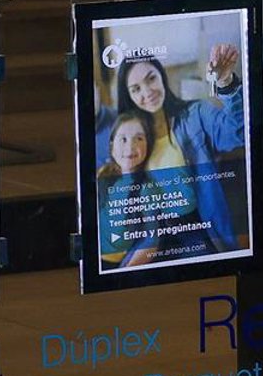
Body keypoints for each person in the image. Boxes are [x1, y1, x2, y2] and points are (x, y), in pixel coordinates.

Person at [113, 45, 245, 254]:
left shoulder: (195, 114)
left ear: (161, 76)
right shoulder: (129, 136)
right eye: (136, 89)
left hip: (200, 230)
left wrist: (225, 82)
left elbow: (239, 132)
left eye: (151, 79)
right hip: (151, 237)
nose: (147, 92)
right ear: (128, 96)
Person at [96, 109, 162, 269]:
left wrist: (124, 271)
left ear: (148, 145)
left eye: (139, 138)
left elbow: (151, 240)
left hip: (113, 263)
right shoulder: (103, 174)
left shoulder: (146, 188)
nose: (130, 146)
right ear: (112, 145)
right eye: (123, 139)